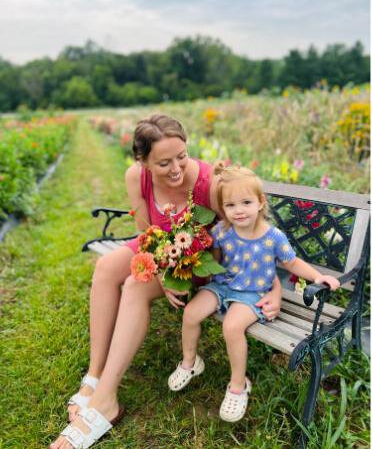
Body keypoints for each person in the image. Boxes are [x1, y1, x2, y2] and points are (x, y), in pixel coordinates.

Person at [51, 116, 282, 448]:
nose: (176, 168)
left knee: (133, 286)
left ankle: (105, 401)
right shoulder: (137, 177)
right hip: (164, 250)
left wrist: (273, 285)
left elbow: (254, 236)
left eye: (182, 156)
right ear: (142, 161)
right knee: (105, 268)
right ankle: (95, 374)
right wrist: (160, 271)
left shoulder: (208, 182)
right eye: (163, 162)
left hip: (201, 260)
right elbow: (147, 232)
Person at [168, 165, 340, 423]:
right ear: (223, 208)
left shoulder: (274, 237)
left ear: (260, 202)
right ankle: (190, 362)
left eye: (246, 202)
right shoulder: (222, 232)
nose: (238, 210)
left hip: (253, 293)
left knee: (232, 326)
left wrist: (317, 277)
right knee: (191, 312)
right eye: (230, 205)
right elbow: (214, 261)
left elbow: (292, 263)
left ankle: (239, 385)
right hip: (223, 286)